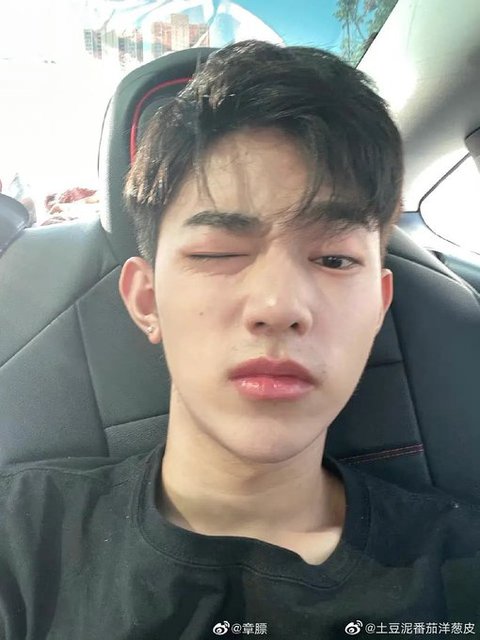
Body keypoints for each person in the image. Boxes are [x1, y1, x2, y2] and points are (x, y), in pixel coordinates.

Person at [1, 40, 479, 640]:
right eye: (218, 253)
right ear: (147, 301)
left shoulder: (461, 567)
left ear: (378, 307)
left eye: (334, 258)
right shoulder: (22, 544)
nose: (279, 308)